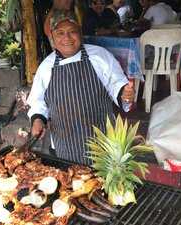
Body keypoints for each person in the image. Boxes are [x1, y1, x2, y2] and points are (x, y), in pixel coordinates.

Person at [27, 10, 135, 165]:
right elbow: (38, 101)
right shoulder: (46, 67)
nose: (67, 38)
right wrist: (37, 120)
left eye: (72, 32)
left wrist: (124, 93)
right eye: (60, 33)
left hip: (101, 140)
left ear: (81, 33)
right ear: (52, 37)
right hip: (65, 144)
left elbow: (117, 83)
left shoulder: (100, 56)